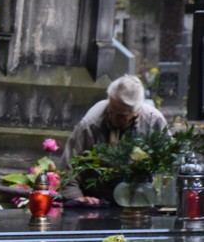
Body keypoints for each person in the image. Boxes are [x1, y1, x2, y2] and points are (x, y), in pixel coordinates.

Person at [60, 74, 169, 205]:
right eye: (110, 110)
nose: (112, 117)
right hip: (95, 200)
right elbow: (69, 164)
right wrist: (76, 199)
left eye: (121, 115)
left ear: (136, 112)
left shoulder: (153, 121)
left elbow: (169, 163)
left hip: (138, 199)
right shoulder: (91, 122)